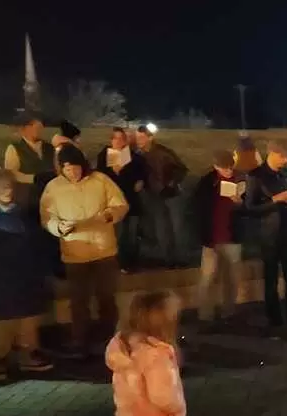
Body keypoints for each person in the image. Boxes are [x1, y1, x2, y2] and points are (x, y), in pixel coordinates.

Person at [40, 145, 128, 358]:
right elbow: (47, 216)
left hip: (103, 250)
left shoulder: (100, 180)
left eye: (76, 168)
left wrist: (108, 216)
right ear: (61, 168)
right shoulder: (53, 187)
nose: (73, 173)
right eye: (68, 169)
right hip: (74, 252)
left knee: (107, 298)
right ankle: (80, 341)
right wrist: (58, 228)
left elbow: (120, 204)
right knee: (78, 301)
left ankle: (113, 339)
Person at [0, 170, 52, 382]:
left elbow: (36, 243)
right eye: (2, 186)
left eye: (10, 186)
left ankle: (27, 353)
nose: (8, 190)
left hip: (23, 275)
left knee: (27, 320)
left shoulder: (23, 216)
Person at [245, 142, 287, 338]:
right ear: (271, 154)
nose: (285, 161)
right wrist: (274, 201)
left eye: (286, 157)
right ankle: (274, 320)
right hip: (269, 234)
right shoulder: (255, 175)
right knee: (270, 278)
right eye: (282, 157)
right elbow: (250, 208)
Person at [191, 150, 246, 331]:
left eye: (231, 167)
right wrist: (203, 236)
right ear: (215, 167)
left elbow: (250, 208)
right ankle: (205, 316)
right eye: (224, 168)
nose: (229, 171)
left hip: (233, 237)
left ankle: (228, 313)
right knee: (207, 279)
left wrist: (240, 203)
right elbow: (198, 210)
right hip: (212, 238)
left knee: (232, 279)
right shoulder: (207, 182)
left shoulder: (241, 180)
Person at [135, 125, 189, 268]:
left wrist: (171, 183)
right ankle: (168, 259)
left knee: (177, 227)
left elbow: (181, 169)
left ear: (150, 137)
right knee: (161, 228)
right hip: (154, 195)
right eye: (137, 137)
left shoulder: (163, 152)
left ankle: (181, 258)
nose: (138, 140)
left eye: (141, 137)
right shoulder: (139, 155)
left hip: (171, 194)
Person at [96, 127, 147, 272]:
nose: (118, 141)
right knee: (117, 233)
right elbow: (99, 176)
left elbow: (142, 174)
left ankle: (130, 263)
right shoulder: (104, 156)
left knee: (131, 234)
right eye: (115, 138)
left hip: (130, 200)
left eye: (121, 138)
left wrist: (140, 181)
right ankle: (115, 262)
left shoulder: (135, 158)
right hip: (113, 201)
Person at [3, 114, 56, 208]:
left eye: (41, 127)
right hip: (26, 197)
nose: (40, 130)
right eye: (36, 127)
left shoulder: (50, 148)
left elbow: (57, 167)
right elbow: (11, 173)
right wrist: (35, 178)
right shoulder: (14, 148)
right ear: (26, 128)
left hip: (49, 195)